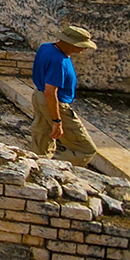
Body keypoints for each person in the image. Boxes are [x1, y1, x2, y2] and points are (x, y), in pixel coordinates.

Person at [31, 26, 100, 167]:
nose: (84, 49)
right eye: (82, 45)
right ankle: (56, 169)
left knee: (42, 141)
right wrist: (57, 121)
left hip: (38, 96)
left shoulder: (46, 48)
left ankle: (37, 168)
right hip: (53, 103)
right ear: (70, 43)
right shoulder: (59, 61)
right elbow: (50, 93)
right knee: (85, 149)